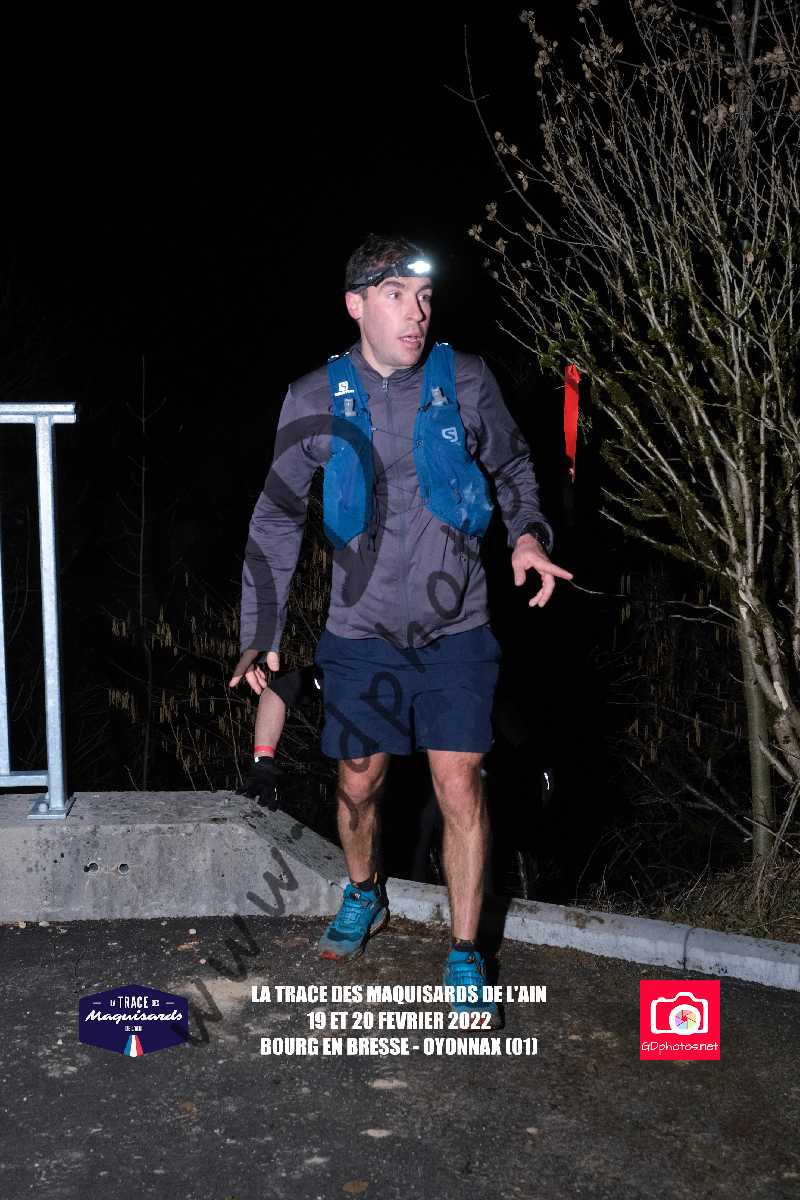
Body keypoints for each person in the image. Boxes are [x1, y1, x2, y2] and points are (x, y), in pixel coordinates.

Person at [229, 233, 572, 1027]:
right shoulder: (313, 396)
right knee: (358, 784)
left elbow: (515, 469)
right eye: (395, 296)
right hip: (360, 632)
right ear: (356, 305)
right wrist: (261, 626)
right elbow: (276, 517)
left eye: (424, 297)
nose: (416, 313)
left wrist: (528, 536)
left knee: (460, 783)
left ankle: (465, 952)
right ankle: (364, 893)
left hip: (459, 626)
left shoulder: (467, 380)